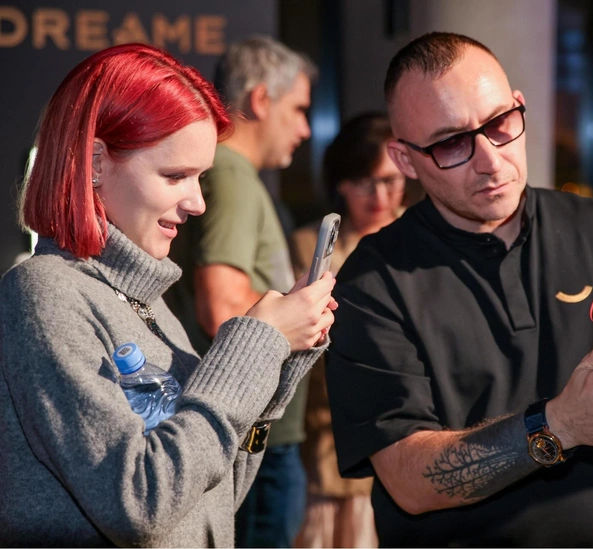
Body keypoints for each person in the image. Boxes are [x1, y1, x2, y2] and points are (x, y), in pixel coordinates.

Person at [325, 31, 593, 547]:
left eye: (499, 124)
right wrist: (558, 425)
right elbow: (407, 481)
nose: (491, 160)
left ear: (519, 106)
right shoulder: (372, 280)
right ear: (405, 160)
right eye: (452, 144)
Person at [0, 43, 336, 548]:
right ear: (95, 162)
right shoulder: (44, 292)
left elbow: (210, 499)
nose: (197, 202)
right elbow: (138, 502)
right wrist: (257, 343)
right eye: (175, 176)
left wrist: (277, 364)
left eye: (200, 177)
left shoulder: (150, 304)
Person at [165, 36, 317, 548]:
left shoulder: (235, 175)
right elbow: (221, 305)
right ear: (261, 100)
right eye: (298, 109)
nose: (305, 129)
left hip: (248, 428)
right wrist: (295, 311)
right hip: (247, 434)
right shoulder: (229, 175)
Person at [290, 113, 405, 548]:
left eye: (390, 181)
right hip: (327, 430)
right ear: (341, 183)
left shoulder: (415, 236)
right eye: (364, 182)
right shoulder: (310, 245)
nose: (380, 196)